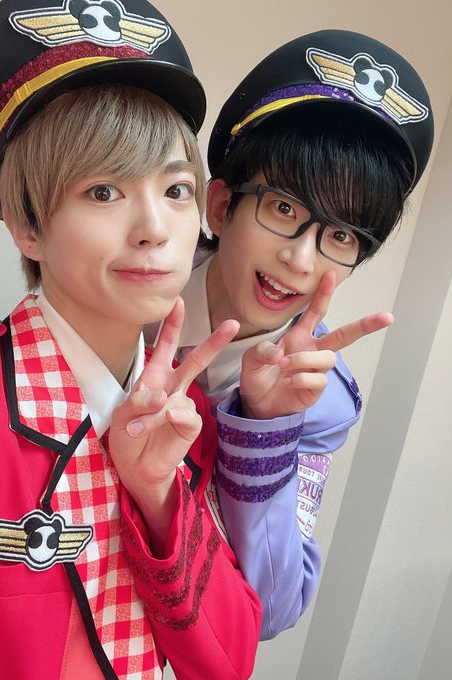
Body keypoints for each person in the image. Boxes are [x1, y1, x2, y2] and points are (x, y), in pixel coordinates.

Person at [0, 1, 267, 678]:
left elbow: (227, 660)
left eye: (176, 189)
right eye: (102, 191)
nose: (154, 228)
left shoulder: (182, 415)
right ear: (28, 228)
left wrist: (157, 493)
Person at [146, 29, 434, 640]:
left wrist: (265, 427)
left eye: (341, 236)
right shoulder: (137, 282)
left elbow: (270, 610)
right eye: (283, 208)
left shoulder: (319, 401)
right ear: (220, 206)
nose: (301, 260)